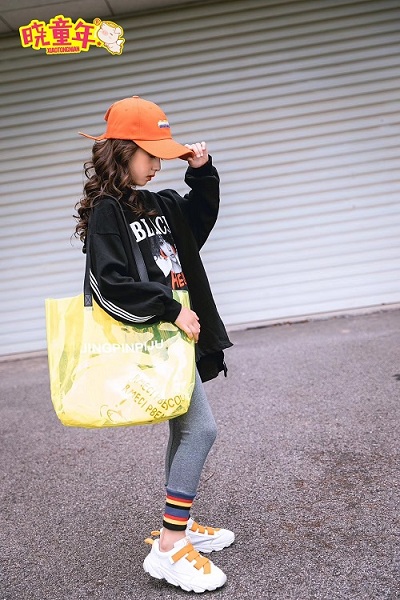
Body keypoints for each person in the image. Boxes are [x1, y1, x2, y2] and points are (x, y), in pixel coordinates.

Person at [75, 96, 234, 593]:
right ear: (123, 151)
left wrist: (201, 173)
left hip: (175, 337)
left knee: (184, 429)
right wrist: (169, 309)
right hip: (155, 336)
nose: (159, 164)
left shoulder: (158, 204)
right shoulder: (107, 212)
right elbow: (109, 282)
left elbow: (196, 225)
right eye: (151, 154)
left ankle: (178, 525)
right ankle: (169, 544)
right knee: (201, 430)